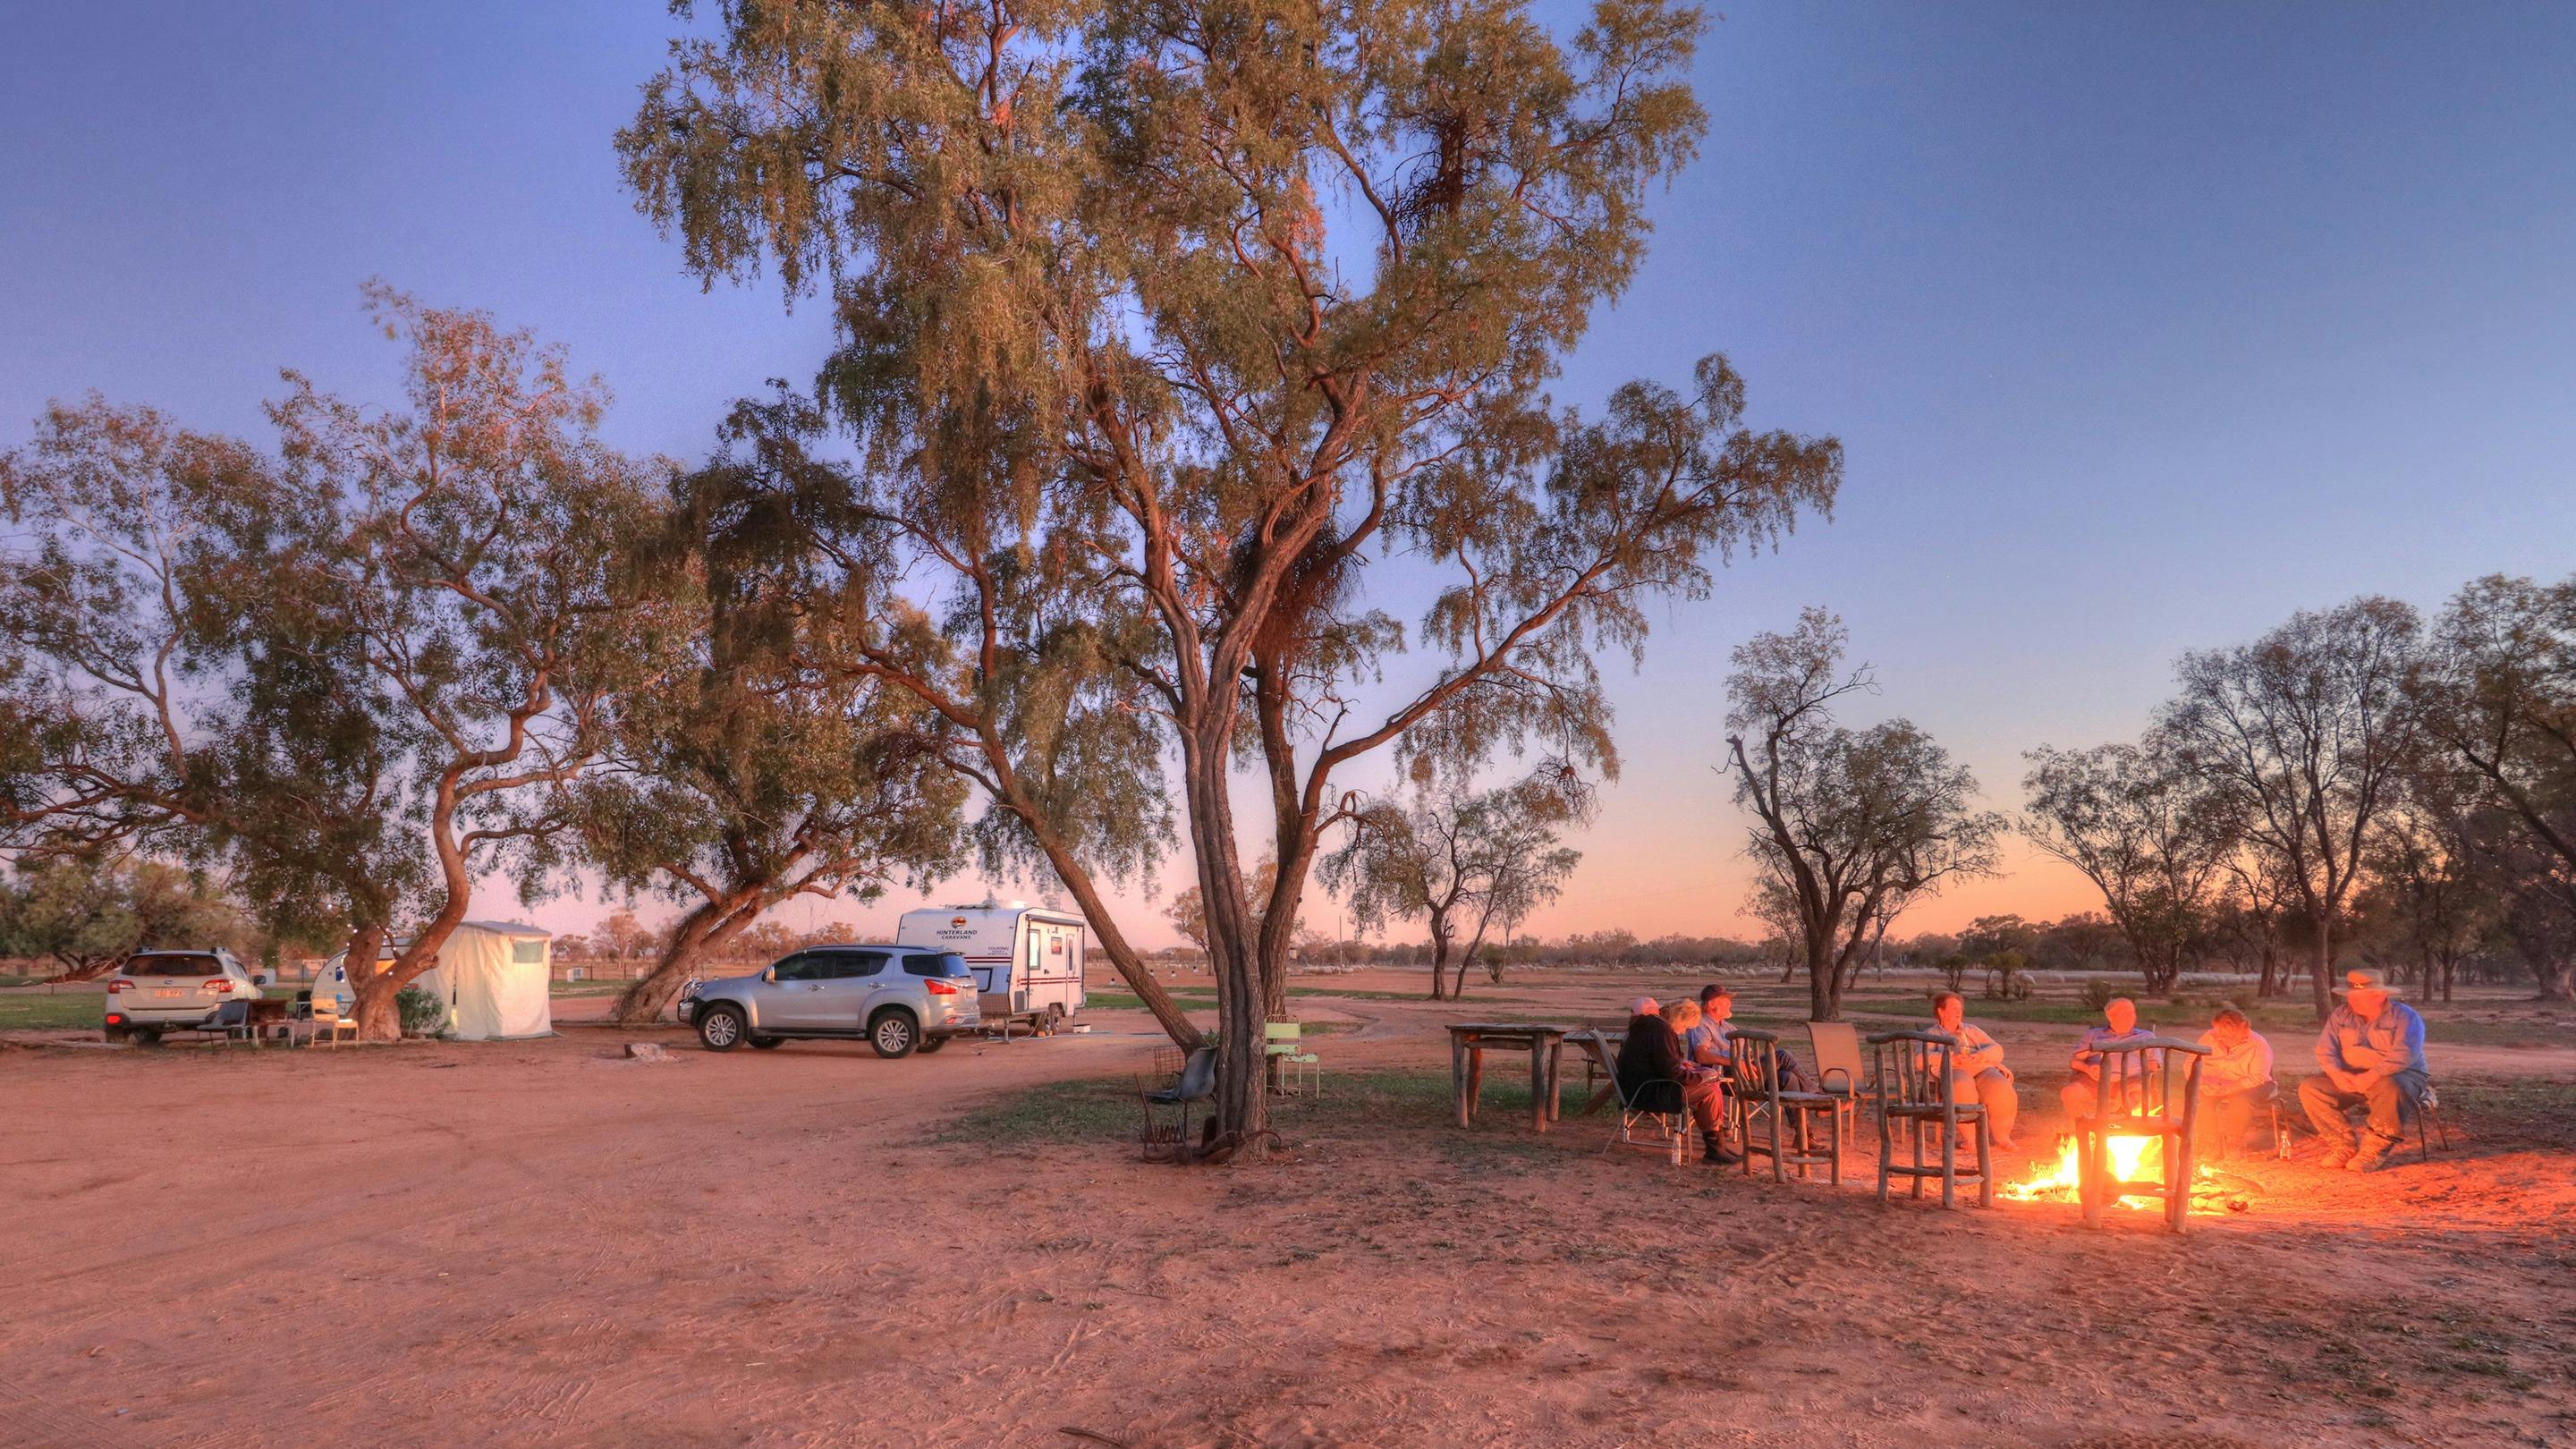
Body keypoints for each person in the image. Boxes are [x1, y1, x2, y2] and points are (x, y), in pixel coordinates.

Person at [2301, 970, 2430, 1173]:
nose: (2351, 1000)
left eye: (2358, 996)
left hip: (2398, 1075)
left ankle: (2375, 1149)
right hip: (2351, 1077)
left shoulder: (2406, 1017)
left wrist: (2372, 1075)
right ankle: (2343, 1145)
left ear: (2379, 995)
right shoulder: (2340, 1015)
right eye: (2350, 995)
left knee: (2393, 1086)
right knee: (2311, 1088)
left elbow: (2404, 1055)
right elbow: (2325, 1050)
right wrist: (2337, 1074)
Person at [1614, 998, 1738, 1165]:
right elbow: (1672, 1073)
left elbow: (1661, 1062)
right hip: (1649, 1091)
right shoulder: (1662, 1031)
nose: (1682, 1032)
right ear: (1680, 1019)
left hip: (1639, 1086)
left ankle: (1718, 1144)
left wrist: (1684, 1065)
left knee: (1710, 1083)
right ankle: (1715, 1147)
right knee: (1709, 1090)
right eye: (1686, 1027)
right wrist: (1700, 1077)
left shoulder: (1648, 1026)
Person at [1928, 990, 2019, 1151]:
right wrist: (1950, 1058)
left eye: (1960, 1009)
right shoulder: (1932, 1034)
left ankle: (2002, 1137)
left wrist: (1980, 1055)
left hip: (1980, 1066)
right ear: (1941, 1012)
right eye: (1954, 1008)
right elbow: (1920, 1059)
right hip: (1954, 1068)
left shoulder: (1972, 1030)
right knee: (1962, 1085)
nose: (1959, 1012)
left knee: (2000, 1087)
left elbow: (1997, 1049)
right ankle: (1969, 1139)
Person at [2196, 1006, 2276, 1161]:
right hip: (2217, 1084)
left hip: (2253, 1084)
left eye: (2228, 1036)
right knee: (2200, 1097)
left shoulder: (2258, 1044)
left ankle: (2233, 1143)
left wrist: (2226, 1089)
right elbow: (2191, 1063)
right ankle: (2211, 1143)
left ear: (2244, 1030)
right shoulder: (2209, 1037)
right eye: (2218, 1033)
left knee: (2241, 1100)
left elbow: (2258, 1076)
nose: (2220, 1039)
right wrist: (2201, 1083)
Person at [2060, 997, 2154, 1121]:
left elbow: (2153, 1066)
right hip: (2094, 1081)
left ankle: (2120, 1129)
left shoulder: (2146, 1037)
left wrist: (2136, 1076)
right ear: (2111, 1016)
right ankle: (2081, 1129)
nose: (2131, 1017)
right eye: (2125, 1013)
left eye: (2133, 1012)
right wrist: (2088, 1069)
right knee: (2070, 1093)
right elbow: (2075, 1062)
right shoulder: (2093, 1035)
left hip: (2130, 1081)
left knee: (2138, 1097)